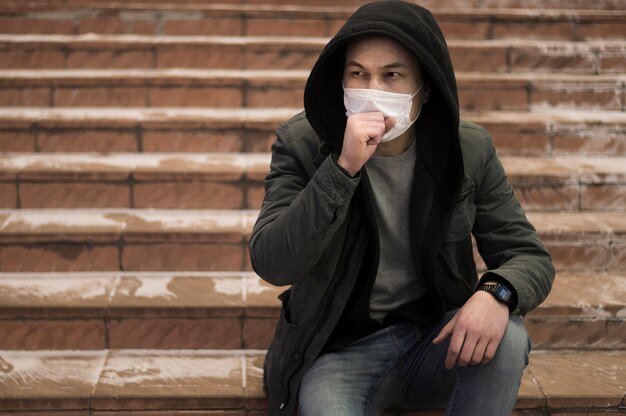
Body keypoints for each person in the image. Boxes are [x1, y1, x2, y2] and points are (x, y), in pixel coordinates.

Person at [248, 2, 555, 415]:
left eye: (391, 75)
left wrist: (495, 293)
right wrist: (342, 169)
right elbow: (272, 261)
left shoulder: (467, 149)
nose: (372, 88)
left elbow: (528, 255)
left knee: (509, 337)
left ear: (424, 88)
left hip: (435, 339)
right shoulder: (304, 144)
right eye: (358, 74)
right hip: (340, 352)